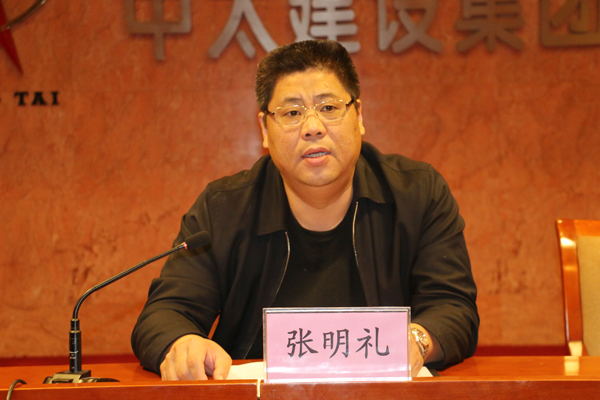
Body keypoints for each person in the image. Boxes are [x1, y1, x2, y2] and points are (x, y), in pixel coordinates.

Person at [131, 40, 479, 381]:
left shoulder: (416, 194)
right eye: (292, 113)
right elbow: (165, 314)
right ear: (265, 129)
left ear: (359, 116)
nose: (313, 128)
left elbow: (453, 307)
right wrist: (182, 343)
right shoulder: (223, 209)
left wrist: (417, 340)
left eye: (328, 108)